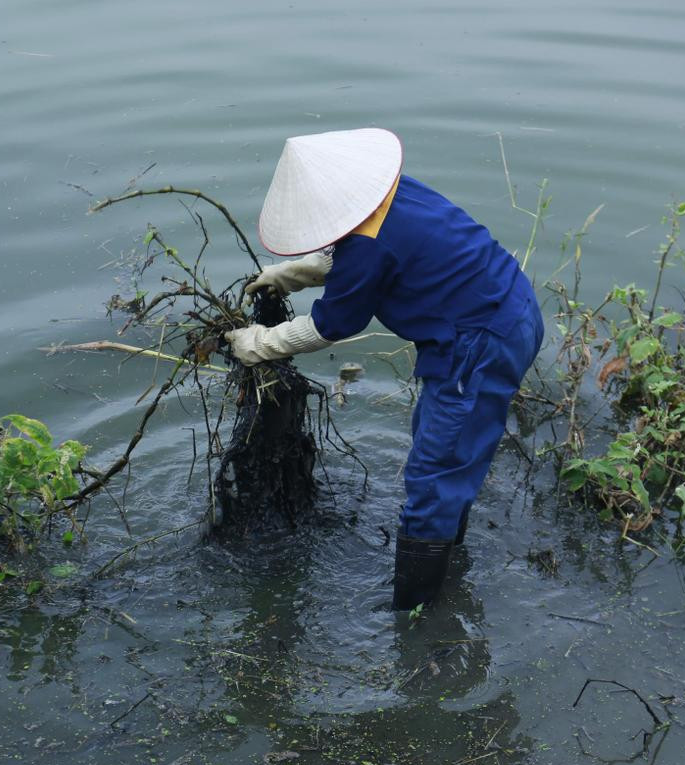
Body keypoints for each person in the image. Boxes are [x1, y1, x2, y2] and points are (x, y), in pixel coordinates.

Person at [223, 128, 543, 611]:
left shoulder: (368, 246)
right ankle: (448, 563)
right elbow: (367, 250)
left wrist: (260, 343)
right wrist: (296, 273)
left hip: (478, 345)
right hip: (509, 308)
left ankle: (416, 615)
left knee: (435, 473)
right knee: (443, 447)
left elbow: (332, 325)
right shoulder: (394, 192)